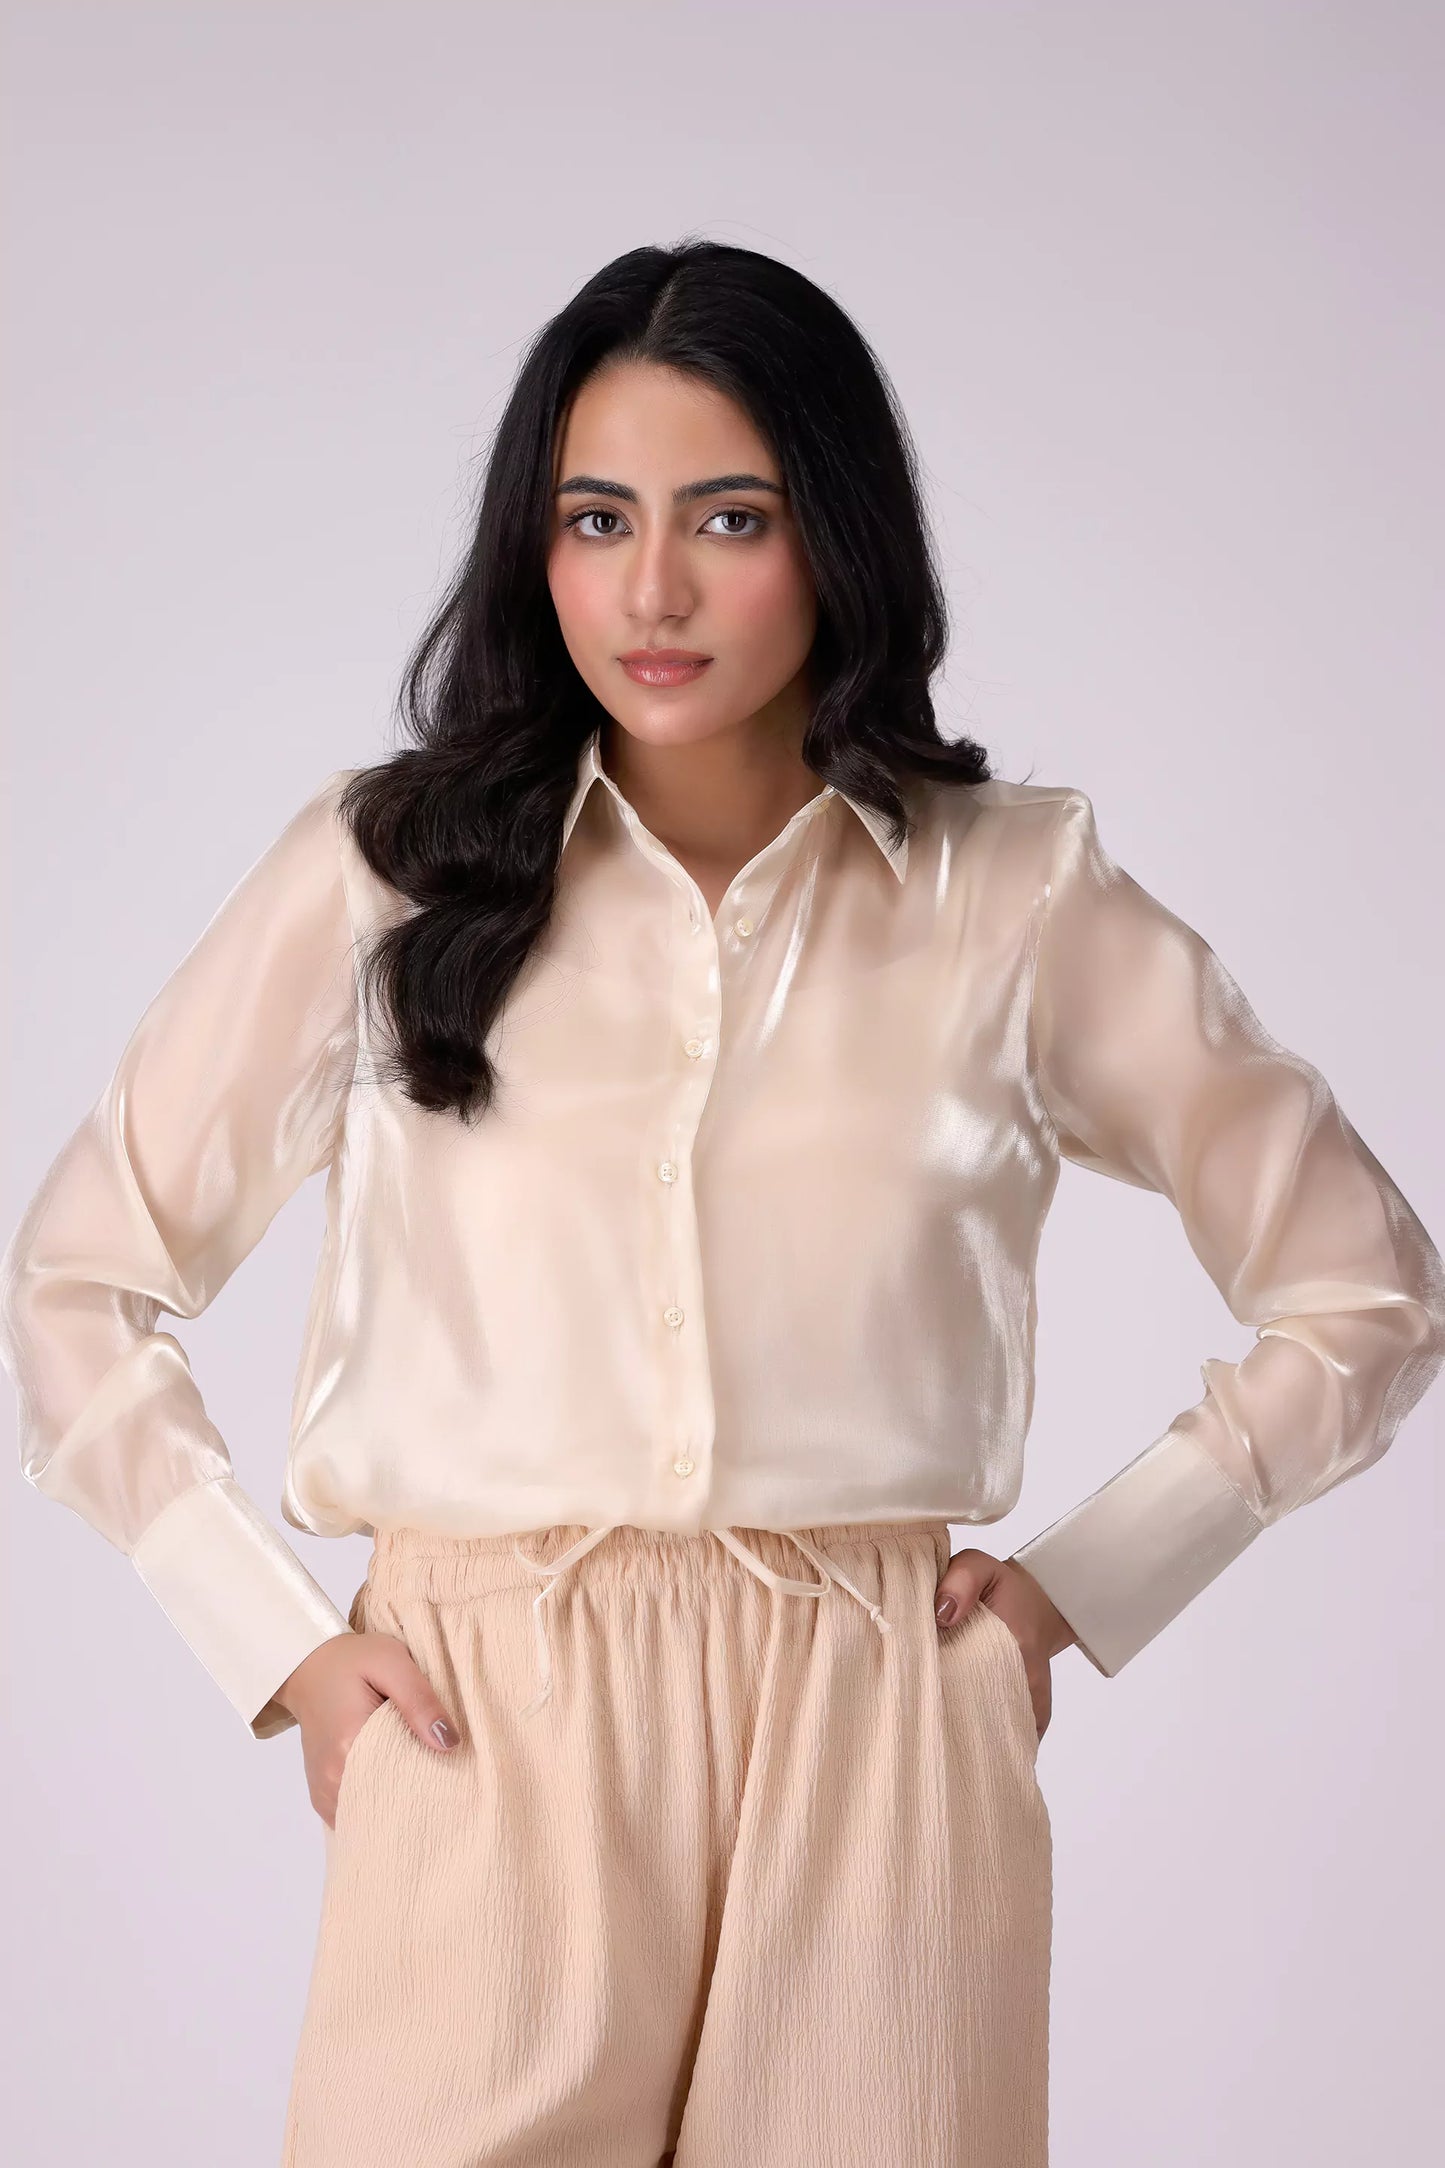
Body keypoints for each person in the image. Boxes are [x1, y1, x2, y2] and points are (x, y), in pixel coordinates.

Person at [3, 238, 1442, 2168]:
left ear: (835, 538)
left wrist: (1074, 1597)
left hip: (879, 1729)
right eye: (596, 519)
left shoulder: (1011, 895)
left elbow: (1363, 1290)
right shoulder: (385, 873)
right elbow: (80, 1277)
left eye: (729, 519)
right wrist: (275, 1644)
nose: (652, 591)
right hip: (483, 1718)